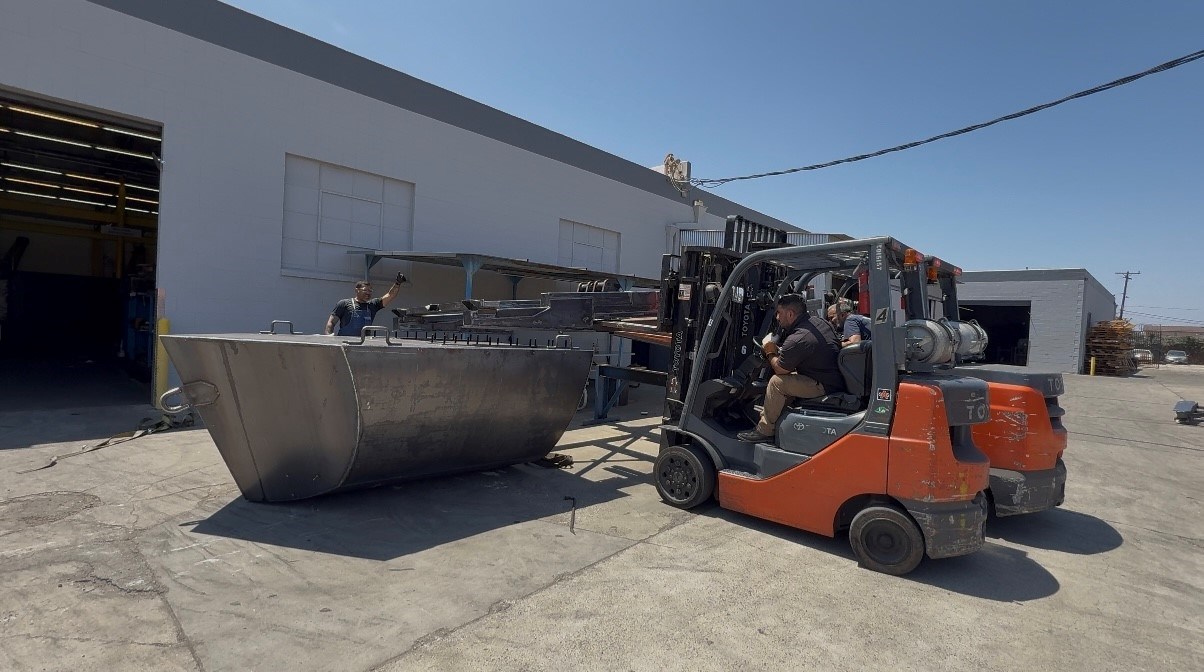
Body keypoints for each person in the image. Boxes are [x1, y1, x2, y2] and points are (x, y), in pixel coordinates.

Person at [738, 294, 845, 442]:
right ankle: (777, 416)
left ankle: (765, 430)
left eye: (779, 313)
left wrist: (769, 350)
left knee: (777, 382)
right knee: (789, 376)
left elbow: (780, 369)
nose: (777, 317)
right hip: (831, 377)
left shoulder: (798, 338)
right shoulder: (818, 323)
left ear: (790, 314)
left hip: (824, 385)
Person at [324, 272, 407, 336]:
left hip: (363, 345)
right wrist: (329, 336)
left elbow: (390, 295)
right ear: (357, 290)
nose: (368, 293)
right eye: (365, 290)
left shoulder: (373, 305)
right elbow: (331, 322)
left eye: (370, 291)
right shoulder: (343, 304)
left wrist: (397, 283)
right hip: (345, 343)